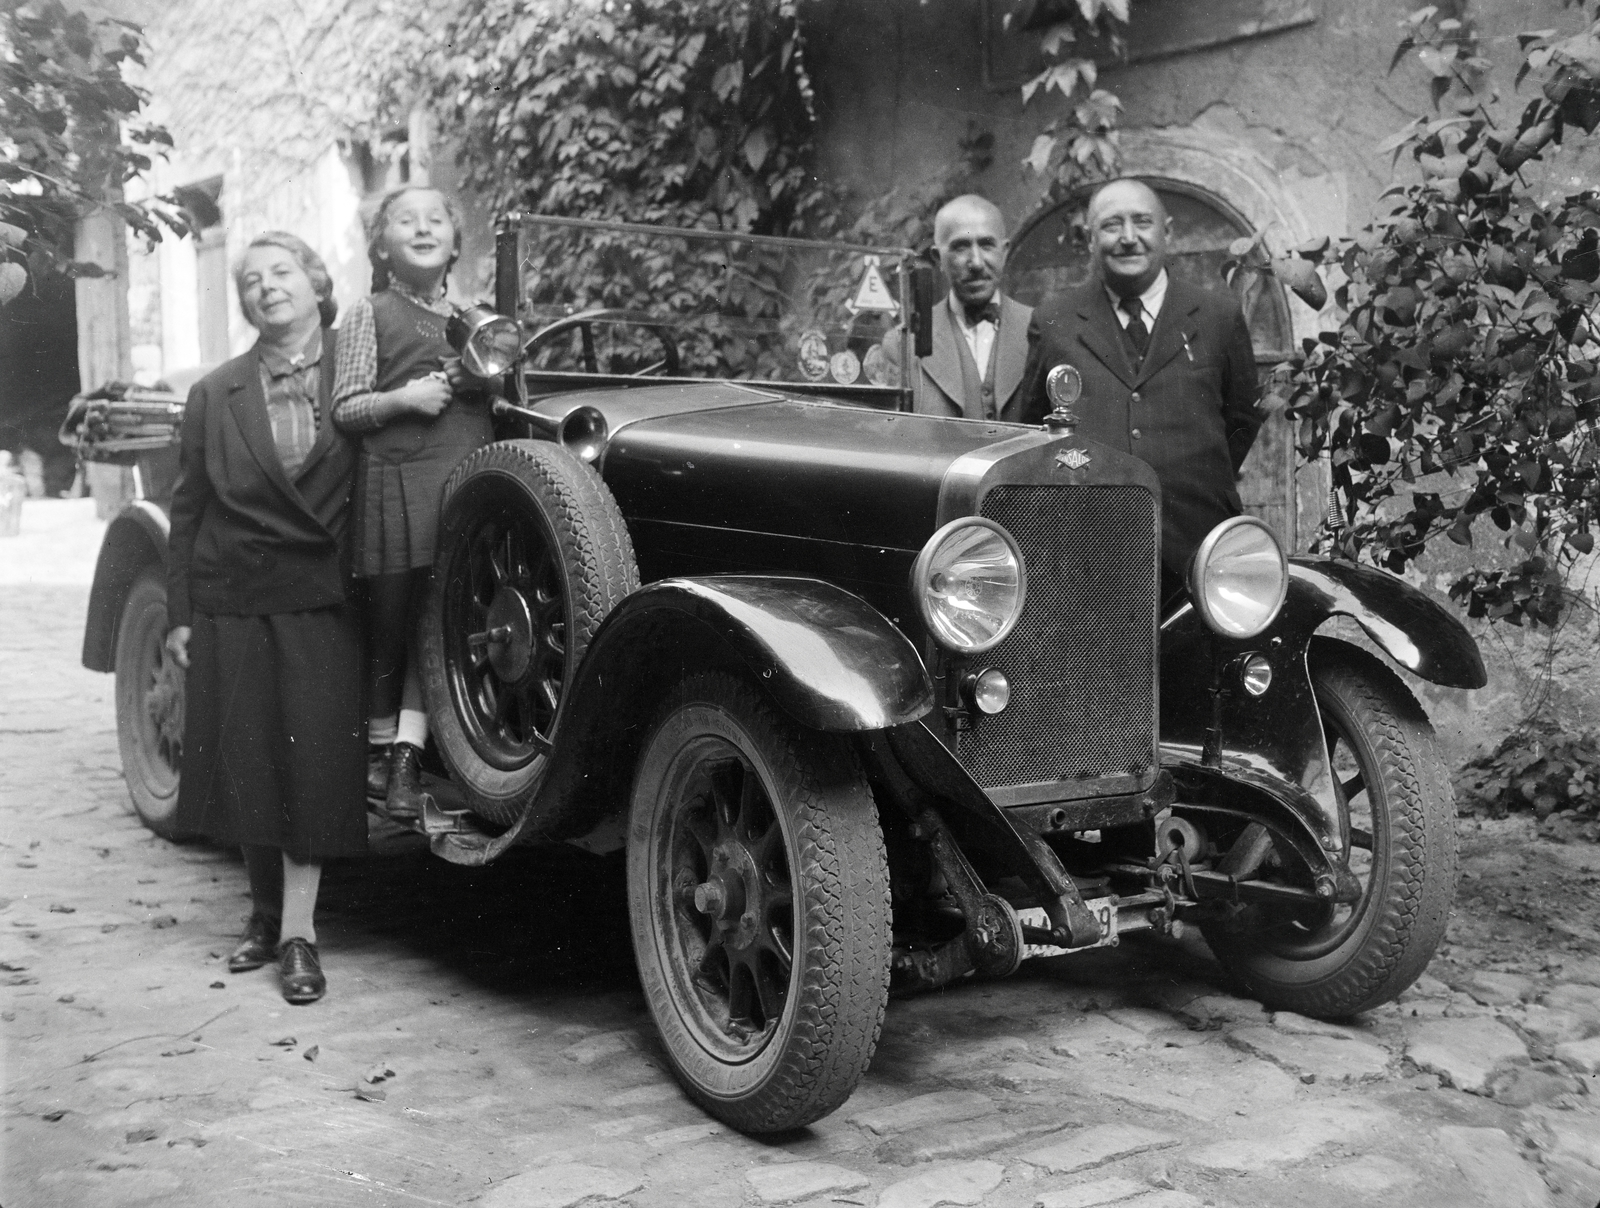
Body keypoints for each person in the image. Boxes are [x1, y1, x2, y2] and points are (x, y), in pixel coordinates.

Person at [165, 232, 365, 1005]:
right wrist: (181, 614)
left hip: (321, 594)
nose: (266, 286)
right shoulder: (215, 392)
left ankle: (297, 936)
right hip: (235, 592)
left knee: (309, 762)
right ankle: (263, 914)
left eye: (282, 272)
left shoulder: (361, 370)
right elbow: (188, 510)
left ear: (317, 284)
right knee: (248, 756)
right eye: (251, 280)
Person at [332, 186, 491, 820]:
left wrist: (479, 375)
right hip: (399, 483)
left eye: (435, 220)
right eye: (405, 221)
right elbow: (346, 408)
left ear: (455, 243)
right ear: (381, 245)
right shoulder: (369, 313)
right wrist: (405, 399)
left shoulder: (477, 320)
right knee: (393, 623)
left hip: (466, 483)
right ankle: (376, 755)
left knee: (442, 622)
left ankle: (407, 756)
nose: (423, 229)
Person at [1025, 178, 1263, 579]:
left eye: (1142, 222)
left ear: (1167, 232)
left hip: (1197, 544)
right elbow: (1033, 428)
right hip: (1086, 551)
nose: (1128, 238)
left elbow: (1242, 420)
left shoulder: (1218, 316)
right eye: (1111, 225)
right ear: (1090, 238)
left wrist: (1189, 478)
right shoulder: (1055, 320)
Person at [884, 194, 1033, 421]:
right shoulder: (902, 345)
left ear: (1004, 252)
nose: (976, 263)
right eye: (960, 247)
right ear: (938, 258)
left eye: (987, 245)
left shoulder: (1042, 333)